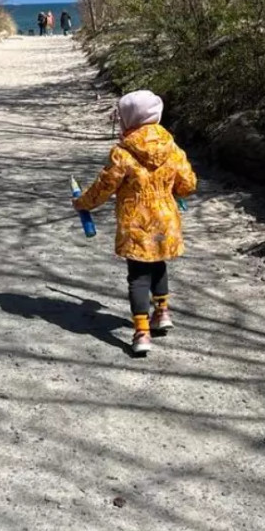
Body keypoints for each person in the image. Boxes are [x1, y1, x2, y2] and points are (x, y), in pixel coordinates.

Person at [72, 90, 196, 357]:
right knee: (159, 264)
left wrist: (83, 203)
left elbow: (104, 187)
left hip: (136, 222)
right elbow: (188, 185)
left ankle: (141, 331)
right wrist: (168, 187)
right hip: (165, 221)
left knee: (138, 275)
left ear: (128, 118)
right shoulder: (172, 147)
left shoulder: (122, 152)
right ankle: (162, 312)